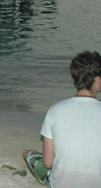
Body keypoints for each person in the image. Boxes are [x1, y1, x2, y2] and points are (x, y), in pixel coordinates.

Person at [22, 51, 101, 188]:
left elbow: (48, 163)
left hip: (62, 184)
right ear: (97, 79)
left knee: (29, 154)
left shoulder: (55, 110)